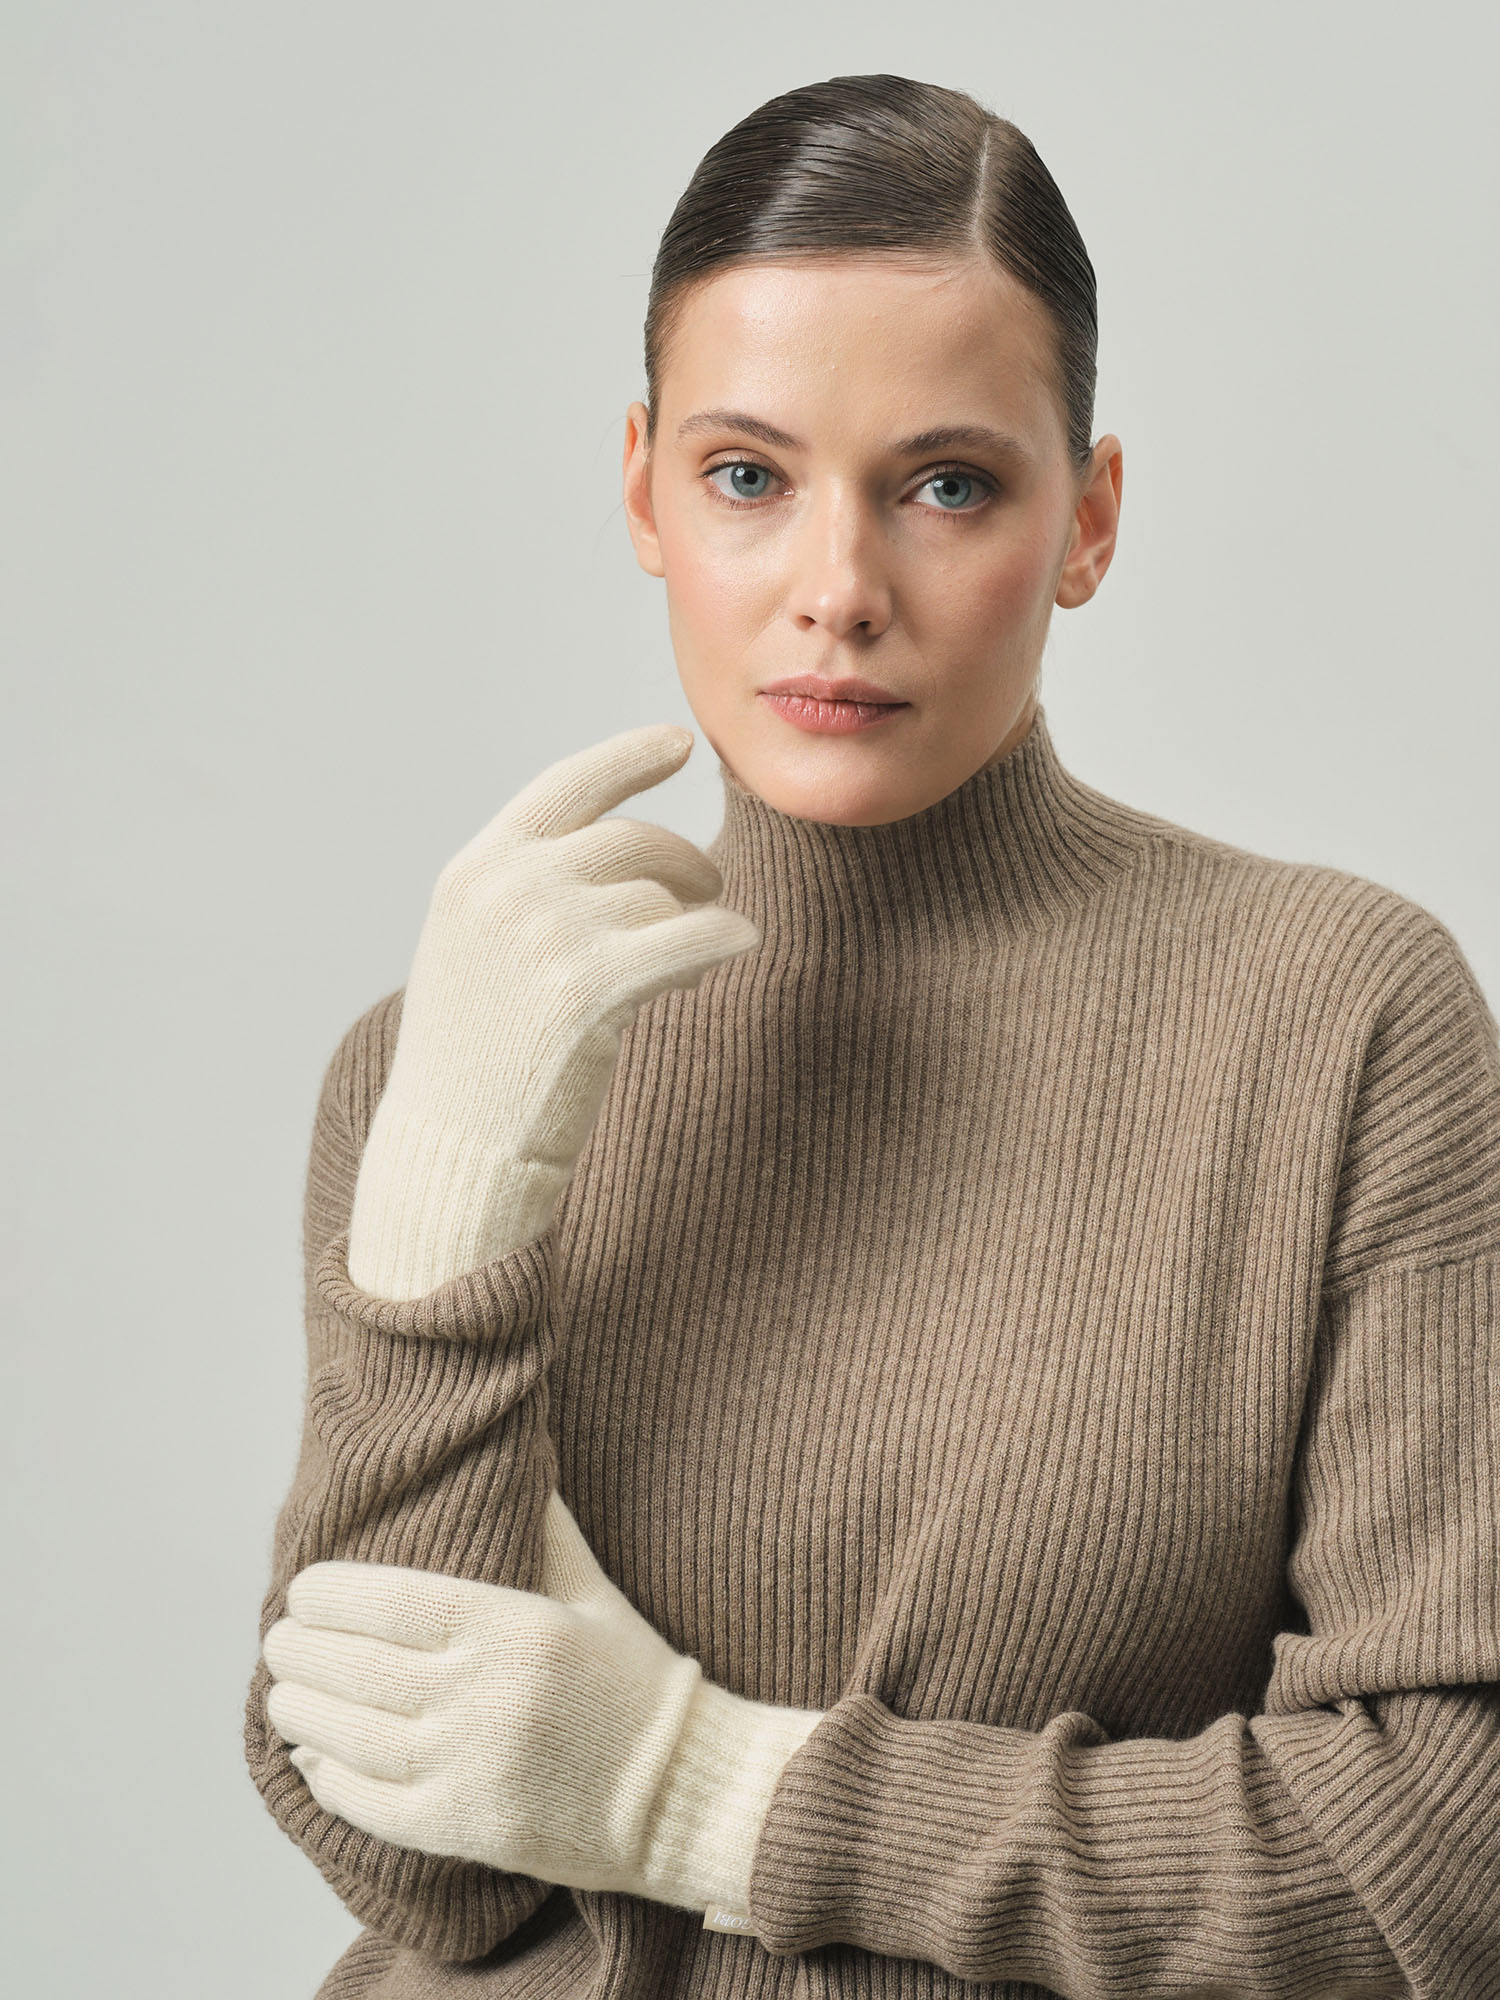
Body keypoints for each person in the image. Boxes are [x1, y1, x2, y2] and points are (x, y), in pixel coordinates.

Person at [243, 72, 1500, 2000]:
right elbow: (408, 1860)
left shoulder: (1340, 1023)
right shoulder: (452, 1056)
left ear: (1086, 521)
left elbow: (1440, 1859)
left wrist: (702, 1796)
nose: (837, 593)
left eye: (947, 485)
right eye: (749, 478)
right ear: (645, 491)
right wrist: (445, 1188)